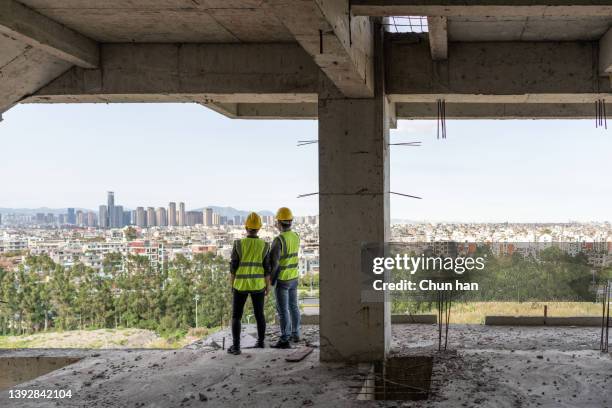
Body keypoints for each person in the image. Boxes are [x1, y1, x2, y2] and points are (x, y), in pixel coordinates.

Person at [228, 212, 271, 355]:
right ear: (259, 228)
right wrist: (268, 286)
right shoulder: (264, 245)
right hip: (258, 285)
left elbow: (233, 267)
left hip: (240, 285)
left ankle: (236, 347)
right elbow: (267, 268)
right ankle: (260, 342)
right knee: (260, 315)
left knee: (236, 316)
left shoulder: (238, 244)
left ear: (246, 227)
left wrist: (232, 284)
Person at [270, 207, 301, 349]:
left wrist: (271, 280)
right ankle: (296, 334)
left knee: (283, 311)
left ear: (279, 223)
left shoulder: (278, 240)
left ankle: (284, 339)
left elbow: (275, 264)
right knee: (294, 307)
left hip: (283, 279)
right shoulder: (296, 236)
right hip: (294, 277)